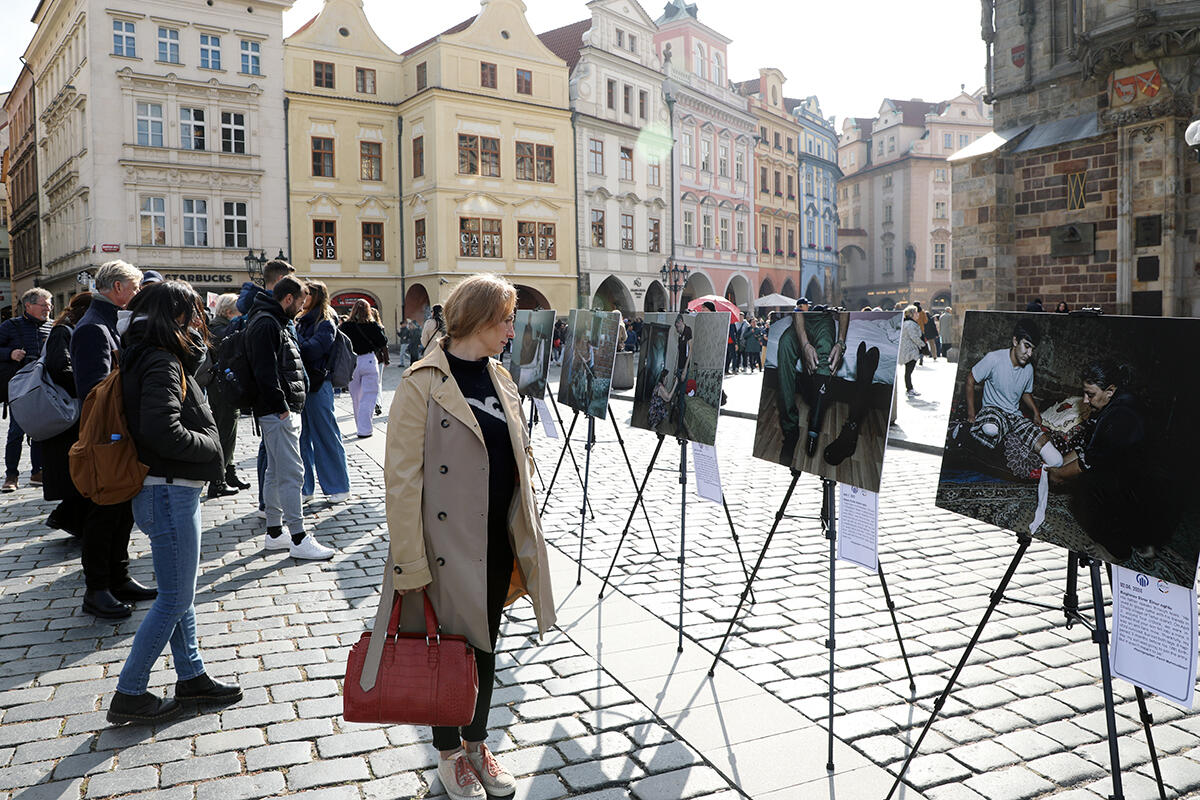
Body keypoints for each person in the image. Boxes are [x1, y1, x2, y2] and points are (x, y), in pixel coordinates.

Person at [376, 273, 554, 800]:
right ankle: (450, 755)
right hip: (444, 546)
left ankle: (478, 745)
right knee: (445, 653)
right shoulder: (421, 382)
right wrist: (409, 562)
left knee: (485, 645)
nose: (510, 328)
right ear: (476, 319)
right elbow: (402, 480)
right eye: (504, 319)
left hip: (497, 539)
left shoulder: (500, 377)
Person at [107, 280, 241, 724]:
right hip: (169, 489)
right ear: (177, 318)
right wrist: (212, 446)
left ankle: (192, 677)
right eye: (191, 316)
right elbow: (161, 430)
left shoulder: (145, 351)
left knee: (178, 594)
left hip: (165, 489)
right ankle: (130, 691)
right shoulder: (162, 361)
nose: (197, 323)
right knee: (174, 598)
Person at [72, 260, 151, 619]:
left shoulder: (108, 322)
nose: (136, 294)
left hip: (117, 431)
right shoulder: (93, 327)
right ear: (117, 287)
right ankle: (97, 588)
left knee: (122, 511)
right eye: (133, 288)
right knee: (104, 513)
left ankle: (119, 578)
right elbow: (94, 391)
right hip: (106, 435)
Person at [246, 276, 334, 560]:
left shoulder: (273, 319)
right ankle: (298, 536)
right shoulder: (267, 322)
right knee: (293, 473)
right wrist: (282, 406)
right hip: (277, 411)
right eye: (300, 301)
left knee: (274, 471)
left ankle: (274, 532)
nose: (301, 307)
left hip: (278, 409)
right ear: (287, 299)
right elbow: (264, 370)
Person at [1048, 361, 1168, 559]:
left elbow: (1087, 463)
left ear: (1110, 390)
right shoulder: (1115, 402)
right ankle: (1144, 539)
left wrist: (1059, 474)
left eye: (1091, 394)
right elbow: (1088, 446)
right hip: (1146, 480)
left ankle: (1116, 549)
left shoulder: (1119, 417)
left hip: (1149, 486)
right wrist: (1060, 463)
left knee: (1088, 486)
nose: (1085, 401)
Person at [965, 318, 1064, 469]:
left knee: (1056, 460)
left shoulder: (1029, 369)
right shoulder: (994, 358)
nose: (1029, 353)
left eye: (1033, 349)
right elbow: (970, 380)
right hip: (993, 410)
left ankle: (1012, 434)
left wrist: (1036, 413)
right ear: (1015, 341)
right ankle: (1004, 433)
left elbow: (1025, 392)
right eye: (1027, 346)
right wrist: (971, 415)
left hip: (1014, 416)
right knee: (990, 429)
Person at [40, 292, 92, 536]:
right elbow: (60, 366)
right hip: (67, 410)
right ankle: (67, 517)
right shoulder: (64, 331)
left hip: (71, 408)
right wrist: (88, 387)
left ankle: (68, 516)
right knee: (74, 466)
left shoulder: (69, 329)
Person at [296, 281, 352, 504]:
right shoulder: (300, 320)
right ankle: (305, 489)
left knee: (326, 436)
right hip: (303, 384)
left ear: (317, 297)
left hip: (319, 385)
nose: (302, 297)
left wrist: (294, 337)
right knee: (302, 438)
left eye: (307, 294)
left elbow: (312, 350)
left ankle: (339, 487)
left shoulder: (325, 321)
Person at [0, 288, 54, 491]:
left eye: (50, 305)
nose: (48, 308)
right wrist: (10, 353)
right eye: (44, 304)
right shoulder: (10, 326)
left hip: (44, 387)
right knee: (16, 431)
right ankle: (11, 475)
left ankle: (37, 472)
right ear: (29, 306)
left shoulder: (53, 326)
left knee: (41, 430)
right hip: (19, 388)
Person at [206, 294, 250, 497]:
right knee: (224, 431)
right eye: (239, 311)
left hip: (225, 385)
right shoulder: (218, 328)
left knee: (229, 430)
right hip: (222, 386)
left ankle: (229, 474)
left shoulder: (219, 326)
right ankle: (217, 481)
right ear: (229, 312)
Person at [340, 300, 389, 438]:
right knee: (369, 396)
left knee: (356, 397)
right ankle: (365, 429)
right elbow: (383, 341)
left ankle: (361, 427)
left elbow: (340, 342)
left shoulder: (346, 326)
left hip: (352, 362)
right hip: (368, 360)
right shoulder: (372, 325)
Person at [898, 305, 924, 397]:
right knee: (908, 372)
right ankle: (909, 389)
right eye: (916, 312)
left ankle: (909, 388)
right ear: (912, 314)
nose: (918, 314)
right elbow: (914, 337)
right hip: (910, 351)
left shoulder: (907, 323)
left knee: (908, 371)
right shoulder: (910, 324)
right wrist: (923, 346)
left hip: (908, 350)